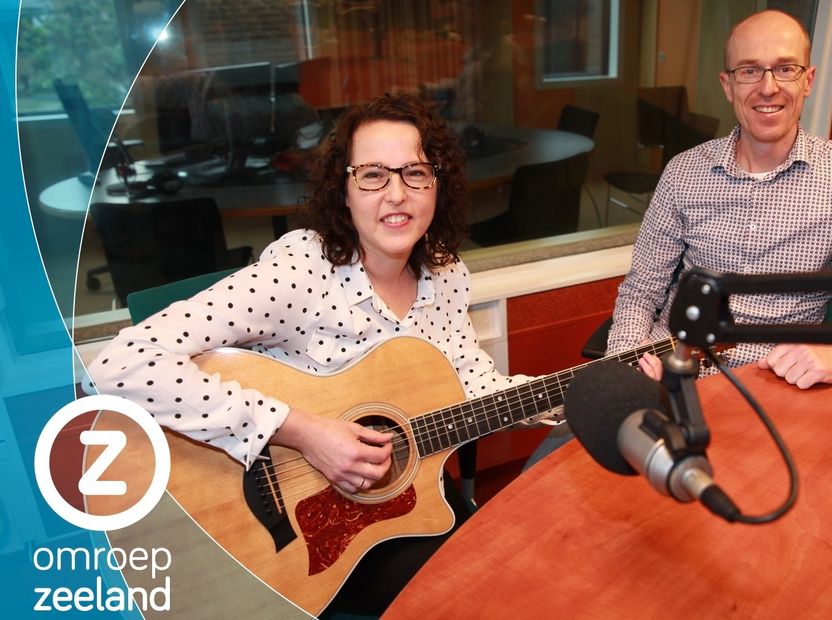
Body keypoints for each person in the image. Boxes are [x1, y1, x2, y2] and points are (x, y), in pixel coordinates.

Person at [87, 93, 536, 615]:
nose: (396, 195)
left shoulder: (447, 273)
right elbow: (119, 364)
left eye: (415, 172)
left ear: (438, 184)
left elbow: (478, 386)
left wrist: (584, 392)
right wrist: (301, 430)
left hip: (408, 502)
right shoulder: (304, 272)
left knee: (514, 568)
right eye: (372, 175)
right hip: (300, 530)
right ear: (343, 191)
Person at [609, 9, 832, 388]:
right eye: (749, 70)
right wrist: (626, 365)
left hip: (776, 388)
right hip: (673, 370)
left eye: (785, 69)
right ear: (728, 85)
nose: (768, 87)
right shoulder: (683, 172)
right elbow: (641, 292)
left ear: (808, 81)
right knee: (563, 446)